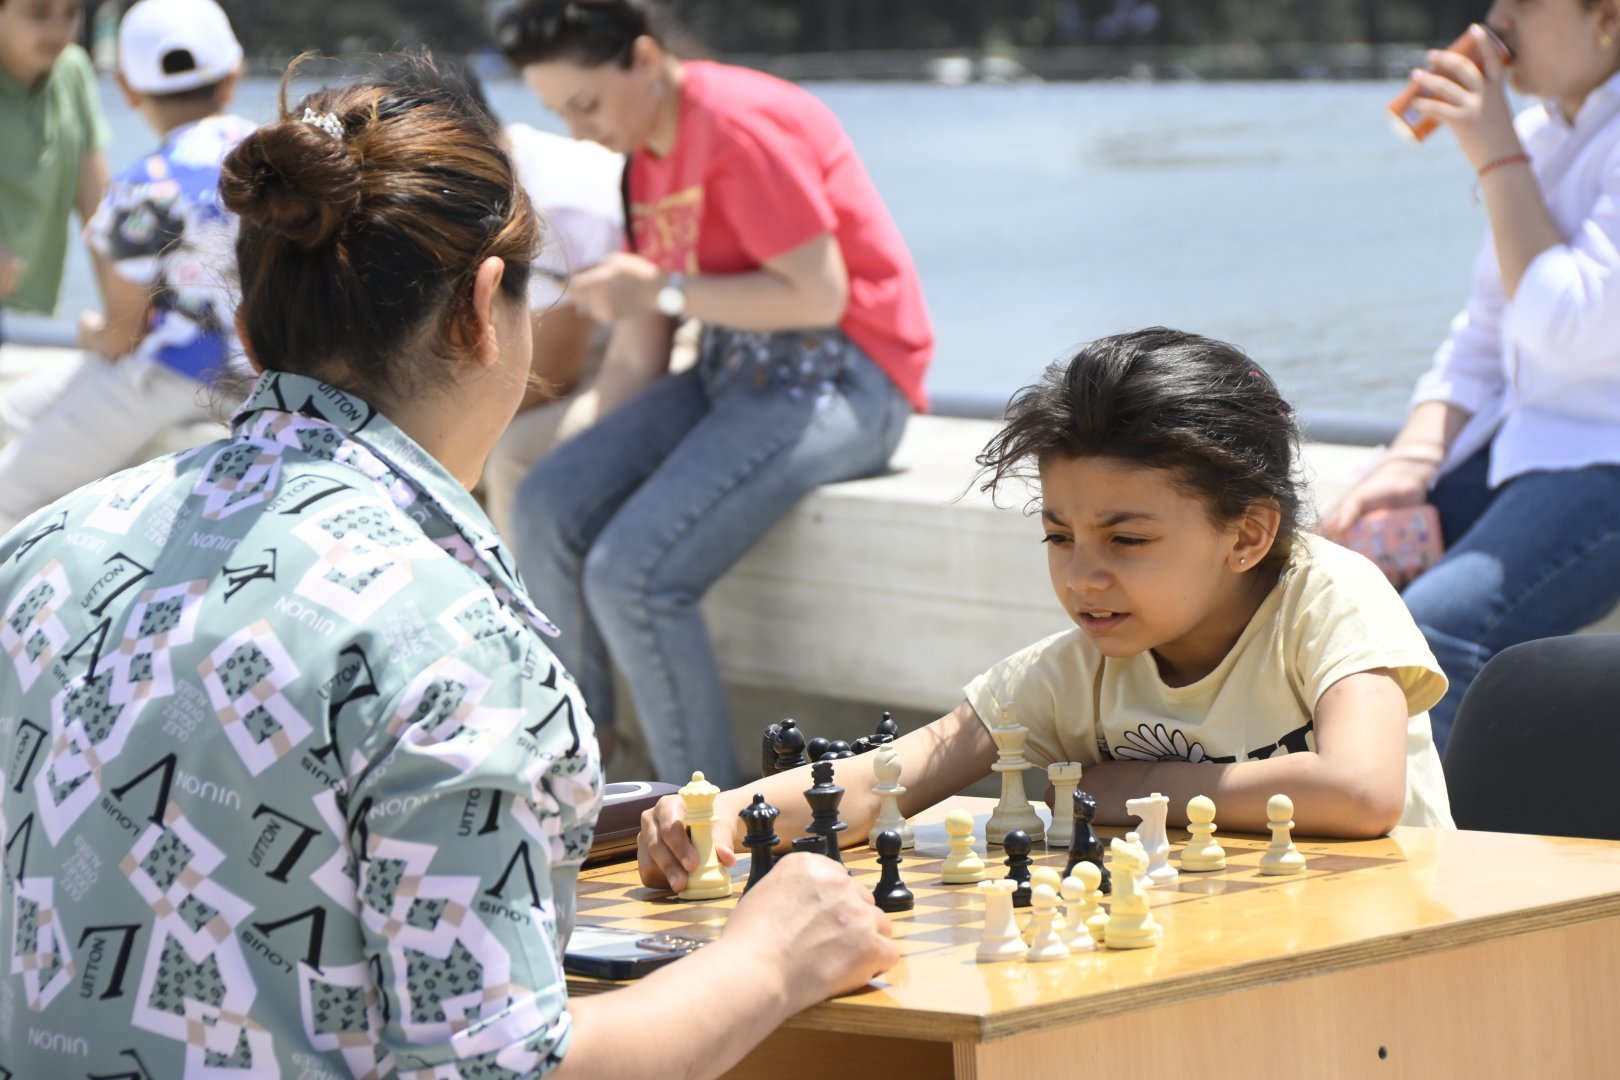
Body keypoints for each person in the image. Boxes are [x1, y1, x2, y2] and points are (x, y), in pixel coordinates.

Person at [0, 53, 894, 1078]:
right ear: (482, 310)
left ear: (249, 332)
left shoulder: (41, 554)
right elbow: (500, 1071)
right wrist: (773, 956)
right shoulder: (443, 639)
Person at [640, 328, 1455, 893]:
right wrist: (713, 818)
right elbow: (895, 776)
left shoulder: (1326, 596)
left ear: (1246, 534)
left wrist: (1133, 783)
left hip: (1412, 933)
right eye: (1058, 536)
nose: (1082, 577)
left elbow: (1361, 789)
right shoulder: (1074, 670)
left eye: (1126, 539)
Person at [497, 0, 933, 787]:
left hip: (843, 377)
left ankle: (711, 822)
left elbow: (817, 296)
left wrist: (659, 286)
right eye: (560, 113)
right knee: (546, 504)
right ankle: (581, 781)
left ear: (642, 57)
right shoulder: (644, 160)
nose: (579, 130)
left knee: (632, 573)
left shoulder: (737, 125)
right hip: (734, 373)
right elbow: (643, 348)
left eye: (586, 104)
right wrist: (590, 456)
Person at [1321, 3, 1620, 755]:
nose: (1498, 20)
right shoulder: (1548, 134)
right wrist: (1411, 460)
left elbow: (1571, 323)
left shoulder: (1529, 145)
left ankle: (1443, 855)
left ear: (1609, 20)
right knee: (1340, 584)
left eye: (1524, 3)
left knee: (1439, 637)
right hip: (1531, 446)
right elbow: (1486, 333)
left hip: (1604, 458)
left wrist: (1494, 154)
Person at [0, 0, 253, 534]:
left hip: (180, 374)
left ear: (130, 92)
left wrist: (92, 333)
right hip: (263, 371)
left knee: (8, 493)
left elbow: (124, 334)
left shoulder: (147, 184)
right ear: (234, 77)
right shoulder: (278, 158)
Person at [0, 0, 110, 333]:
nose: (57, 29)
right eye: (39, 11)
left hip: (31, 319)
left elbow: (100, 212)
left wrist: (126, 320)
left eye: (71, 12)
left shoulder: (73, 68)